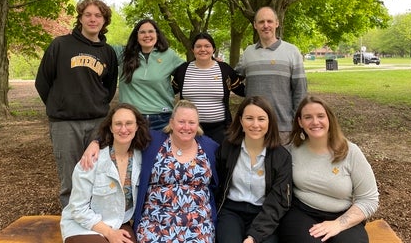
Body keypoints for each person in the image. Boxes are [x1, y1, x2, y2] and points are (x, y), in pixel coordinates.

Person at [35, 0, 118, 208]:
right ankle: (71, 222)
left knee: (98, 173)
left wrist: (95, 105)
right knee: (70, 176)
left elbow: (109, 87)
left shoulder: (107, 52)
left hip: (97, 122)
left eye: (98, 16)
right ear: (80, 18)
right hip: (65, 123)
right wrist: (60, 104)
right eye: (88, 15)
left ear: (104, 21)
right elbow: (42, 82)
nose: (93, 19)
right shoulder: (60, 45)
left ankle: (95, 219)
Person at [279, 95, 379, 243]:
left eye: (320, 116)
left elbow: (369, 200)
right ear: (300, 122)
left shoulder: (350, 152)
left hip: (343, 215)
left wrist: (338, 224)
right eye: (308, 117)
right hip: (301, 212)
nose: (315, 122)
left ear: (329, 120)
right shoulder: (291, 151)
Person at [61, 103, 151, 243]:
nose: (123, 129)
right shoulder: (91, 160)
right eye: (118, 124)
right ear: (111, 127)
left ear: (137, 126)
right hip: (82, 226)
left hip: (118, 223)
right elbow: (78, 209)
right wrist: (109, 233)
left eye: (129, 123)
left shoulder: (142, 159)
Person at [134, 100, 219, 242]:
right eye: (181, 122)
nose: (186, 127)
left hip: (198, 225)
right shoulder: (153, 141)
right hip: (156, 222)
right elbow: (123, 134)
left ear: (197, 125)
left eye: (192, 122)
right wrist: (96, 142)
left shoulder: (209, 147)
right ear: (172, 123)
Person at [216, 96, 292, 243]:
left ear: (269, 122)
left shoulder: (281, 157)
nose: (255, 124)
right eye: (249, 118)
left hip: (264, 213)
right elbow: (216, 184)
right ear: (240, 121)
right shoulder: (227, 148)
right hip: (231, 210)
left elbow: (279, 200)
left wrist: (253, 237)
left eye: (261, 119)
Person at [235, 6, 307, 143]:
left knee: (282, 164)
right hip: (253, 127)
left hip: (283, 127)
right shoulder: (248, 53)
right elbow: (233, 79)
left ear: (277, 23)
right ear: (255, 25)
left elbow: (300, 90)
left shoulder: (292, 51)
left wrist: (297, 121)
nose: (266, 25)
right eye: (261, 22)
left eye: (269, 21)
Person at [172, 32, 245, 144]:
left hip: (220, 129)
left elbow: (240, 89)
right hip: (189, 129)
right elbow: (169, 91)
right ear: (192, 49)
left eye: (207, 46)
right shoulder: (183, 70)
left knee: (218, 160)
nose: (203, 49)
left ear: (213, 49)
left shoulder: (225, 70)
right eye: (198, 46)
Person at [115, 19, 184, 130]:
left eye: (151, 31)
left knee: (161, 148)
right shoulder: (123, 53)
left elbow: (189, 70)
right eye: (142, 32)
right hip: (130, 118)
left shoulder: (169, 55)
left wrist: (213, 61)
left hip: (162, 118)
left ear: (157, 34)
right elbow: (98, 47)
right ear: (136, 36)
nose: (147, 35)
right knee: (132, 148)